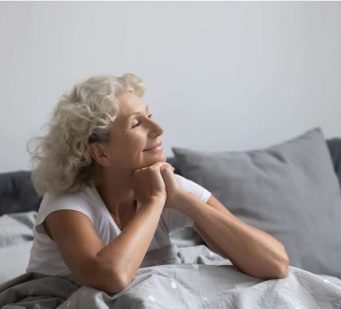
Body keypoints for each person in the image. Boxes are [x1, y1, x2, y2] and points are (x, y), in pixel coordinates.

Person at [26, 73, 289, 294]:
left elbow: (275, 263)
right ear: (101, 153)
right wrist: (154, 202)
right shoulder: (65, 204)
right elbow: (111, 277)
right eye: (137, 124)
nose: (159, 128)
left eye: (150, 115)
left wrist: (184, 201)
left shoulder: (167, 185)